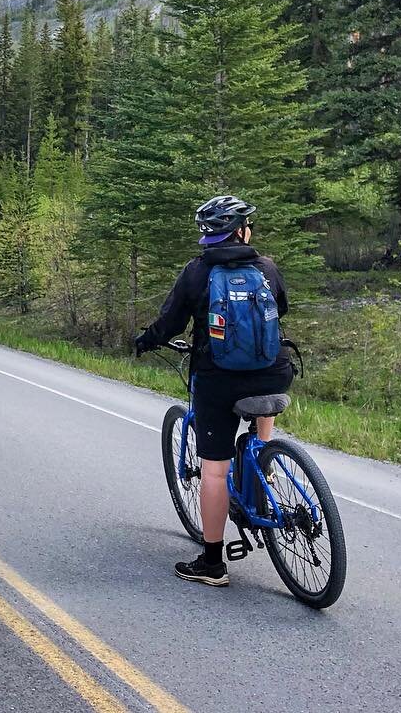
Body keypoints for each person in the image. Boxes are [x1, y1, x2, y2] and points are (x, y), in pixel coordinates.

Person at [134, 195, 293, 586]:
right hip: (274, 375)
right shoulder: (267, 267)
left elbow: (169, 323)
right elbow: (282, 309)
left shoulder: (197, 271)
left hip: (218, 380)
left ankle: (212, 563)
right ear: (240, 231)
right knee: (262, 392)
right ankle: (264, 461)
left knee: (215, 471)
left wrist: (146, 340)